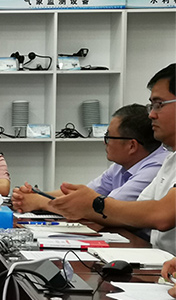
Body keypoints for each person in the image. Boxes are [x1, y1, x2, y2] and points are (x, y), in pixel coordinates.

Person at [51, 64, 176, 255]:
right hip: (159, 259)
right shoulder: (171, 159)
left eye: (159, 104)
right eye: (151, 106)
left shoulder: (159, 161)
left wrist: (94, 204)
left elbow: (161, 215)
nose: (151, 114)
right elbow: (137, 211)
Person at [12, 104, 167, 212]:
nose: (104, 142)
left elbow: (104, 208)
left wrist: (39, 202)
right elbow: (86, 194)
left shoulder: (157, 168)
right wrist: (36, 195)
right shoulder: (121, 165)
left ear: (131, 146)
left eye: (109, 137)